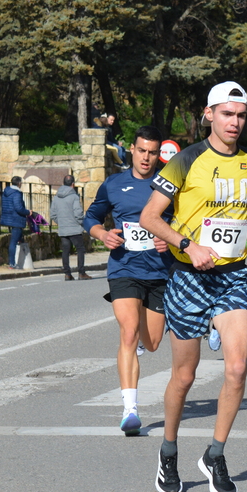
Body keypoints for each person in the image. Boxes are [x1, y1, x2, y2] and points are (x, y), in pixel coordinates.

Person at [139, 80, 247, 492]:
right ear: (209, 114)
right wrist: (189, 246)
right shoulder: (186, 161)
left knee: (237, 369)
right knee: (185, 375)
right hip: (188, 276)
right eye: (227, 114)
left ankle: (215, 454)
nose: (235, 122)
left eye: (241, 115)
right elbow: (150, 218)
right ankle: (169, 451)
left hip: (231, 276)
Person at [84, 125, 172, 435]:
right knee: (129, 332)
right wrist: (102, 234)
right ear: (131, 151)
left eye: (152, 152)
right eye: (142, 151)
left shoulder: (168, 185)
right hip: (123, 268)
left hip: (160, 271)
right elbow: (90, 218)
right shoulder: (113, 184)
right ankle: (129, 409)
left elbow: (186, 221)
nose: (146, 157)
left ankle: (141, 347)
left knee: (153, 342)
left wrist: (171, 239)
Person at [51, 175, 89, 280]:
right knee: (80, 249)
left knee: (65, 251)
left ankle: (67, 274)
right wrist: (81, 222)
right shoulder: (74, 197)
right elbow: (78, 213)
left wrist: (61, 222)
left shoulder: (56, 197)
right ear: (73, 184)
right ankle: (81, 273)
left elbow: (53, 214)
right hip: (75, 228)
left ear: (63, 183)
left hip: (63, 228)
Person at [1, 176, 31, 269]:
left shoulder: (6, 191)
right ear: (19, 183)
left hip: (8, 218)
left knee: (18, 239)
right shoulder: (17, 193)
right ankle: (12, 264)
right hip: (16, 219)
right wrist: (27, 212)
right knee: (13, 241)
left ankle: (20, 261)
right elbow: (18, 208)